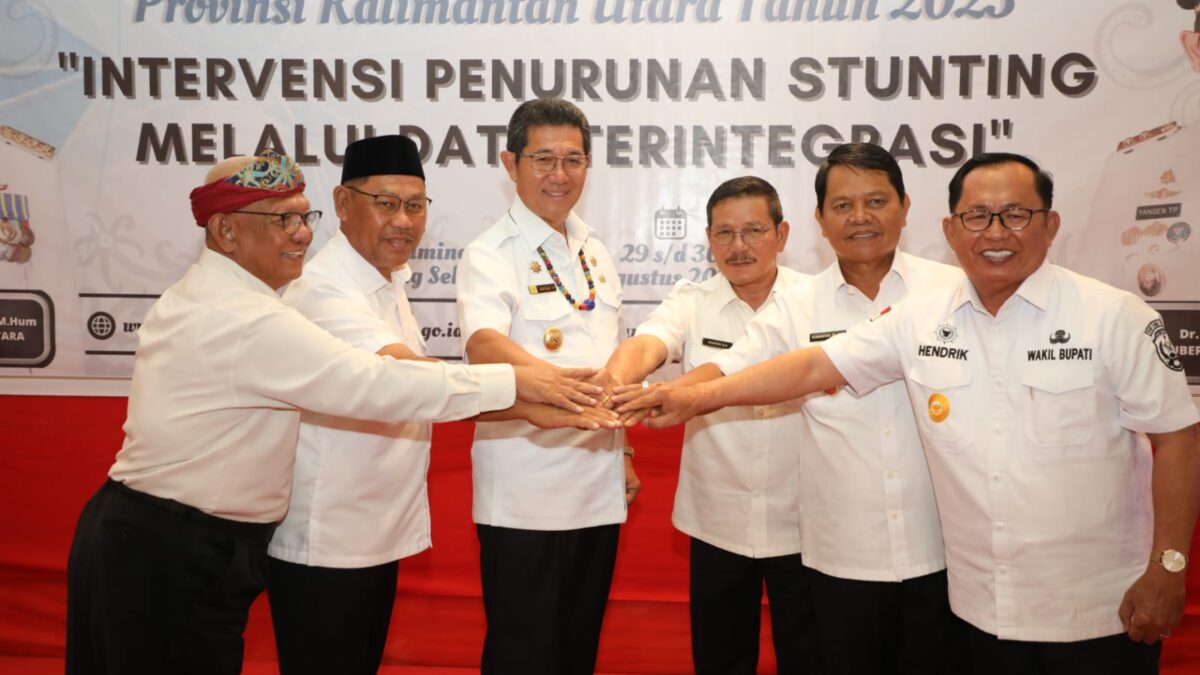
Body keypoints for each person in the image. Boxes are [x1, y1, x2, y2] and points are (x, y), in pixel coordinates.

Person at [617, 152, 1200, 675]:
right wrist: (691, 397)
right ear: (952, 229)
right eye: (978, 217)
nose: (996, 233)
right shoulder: (919, 316)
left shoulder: (1112, 315)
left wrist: (1170, 566)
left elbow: (1179, 439)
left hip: (1087, 600)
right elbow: (809, 365)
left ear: (1049, 224)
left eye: (1016, 215)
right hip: (974, 603)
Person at [64, 149, 604, 675]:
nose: (302, 234)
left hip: (191, 541)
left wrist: (527, 398)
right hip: (165, 544)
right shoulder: (245, 317)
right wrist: (523, 386)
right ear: (226, 231)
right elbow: (379, 383)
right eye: (282, 220)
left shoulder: (244, 298)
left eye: (304, 217)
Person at [264, 136, 616, 675]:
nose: (403, 221)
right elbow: (411, 382)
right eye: (386, 204)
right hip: (326, 536)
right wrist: (530, 400)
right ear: (342, 203)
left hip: (373, 532)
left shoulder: (387, 282)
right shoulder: (323, 289)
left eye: (415, 206)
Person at [704, 144, 965, 674]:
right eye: (842, 206)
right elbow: (729, 369)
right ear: (820, 220)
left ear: (905, 207)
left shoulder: (955, 291)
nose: (860, 217)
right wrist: (662, 397)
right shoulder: (796, 305)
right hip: (842, 559)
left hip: (946, 549)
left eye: (876, 201)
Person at [604, 176, 818, 674]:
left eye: (754, 231)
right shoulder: (692, 299)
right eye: (724, 233)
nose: (738, 247)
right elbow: (650, 342)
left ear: (782, 234)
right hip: (718, 520)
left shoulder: (819, 299)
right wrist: (616, 381)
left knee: (812, 658)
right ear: (708, 239)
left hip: (806, 520)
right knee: (721, 659)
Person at [456, 98, 636, 674]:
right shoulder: (490, 253)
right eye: (544, 159)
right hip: (525, 497)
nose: (560, 174)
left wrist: (624, 452)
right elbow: (484, 345)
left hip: (597, 489)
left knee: (577, 650)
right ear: (511, 163)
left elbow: (605, 357)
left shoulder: (594, 249)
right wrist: (563, 389)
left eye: (573, 159)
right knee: (525, 654)